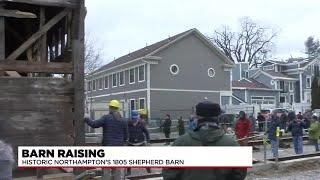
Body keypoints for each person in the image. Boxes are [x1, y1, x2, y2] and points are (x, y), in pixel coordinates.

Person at [162, 101, 247, 180]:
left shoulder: (180, 143)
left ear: (196, 116)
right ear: (218, 117)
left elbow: (168, 174)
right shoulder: (232, 145)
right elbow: (239, 175)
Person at [84, 99, 128, 180]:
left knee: (106, 169)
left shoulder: (106, 118)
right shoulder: (123, 120)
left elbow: (94, 124)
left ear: (110, 108)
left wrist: (87, 118)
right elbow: (126, 136)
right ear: (117, 108)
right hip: (119, 148)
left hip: (108, 147)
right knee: (117, 169)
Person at [126, 110, 151, 175]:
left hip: (141, 143)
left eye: (136, 118)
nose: (135, 120)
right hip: (131, 143)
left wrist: (148, 141)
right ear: (131, 117)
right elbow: (124, 132)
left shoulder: (142, 123)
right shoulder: (128, 123)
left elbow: (146, 132)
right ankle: (128, 171)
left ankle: (149, 171)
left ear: (138, 117)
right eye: (133, 118)